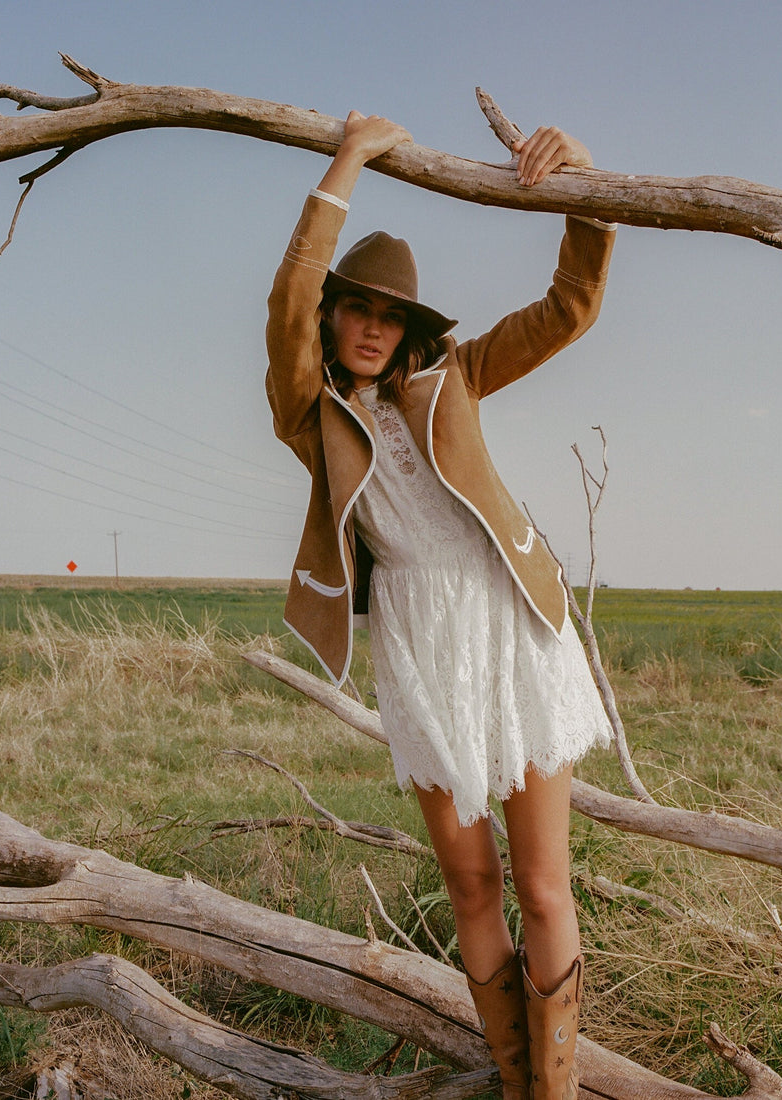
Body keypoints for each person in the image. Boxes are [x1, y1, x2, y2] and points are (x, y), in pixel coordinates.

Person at [265, 110, 616, 1100]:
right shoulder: (311, 414)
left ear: (411, 326)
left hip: (512, 627)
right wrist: (347, 159)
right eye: (355, 307)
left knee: (541, 882)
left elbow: (569, 307)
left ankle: (552, 1093)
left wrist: (586, 186)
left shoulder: (455, 374)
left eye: (391, 313)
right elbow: (286, 305)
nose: (373, 326)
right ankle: (515, 1079)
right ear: (334, 314)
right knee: (470, 883)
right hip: (421, 646)